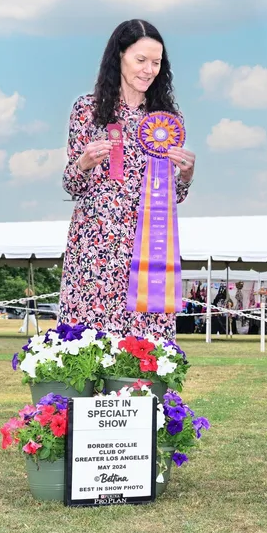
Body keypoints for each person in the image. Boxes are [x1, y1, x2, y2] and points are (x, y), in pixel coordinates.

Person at [59, 19, 196, 340]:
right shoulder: (86, 110)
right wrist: (83, 163)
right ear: (118, 56)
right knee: (88, 346)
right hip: (96, 249)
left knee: (145, 348)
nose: (149, 70)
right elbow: (71, 185)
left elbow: (171, 198)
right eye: (141, 60)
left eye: (157, 62)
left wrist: (186, 176)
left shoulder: (167, 120)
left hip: (151, 252)